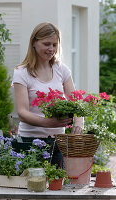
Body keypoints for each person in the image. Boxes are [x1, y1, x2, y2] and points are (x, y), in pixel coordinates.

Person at [12, 22, 83, 167]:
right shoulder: (22, 73)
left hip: (58, 141)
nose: (51, 49)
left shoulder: (61, 70)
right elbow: (22, 113)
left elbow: (75, 102)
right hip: (30, 142)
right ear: (34, 43)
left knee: (57, 186)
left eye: (55, 45)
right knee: (33, 187)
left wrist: (78, 123)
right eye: (46, 44)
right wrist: (49, 123)